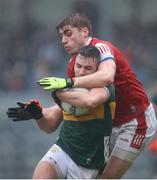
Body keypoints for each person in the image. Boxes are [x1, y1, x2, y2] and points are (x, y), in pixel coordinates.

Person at [37, 13, 157, 178]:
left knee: (107, 177)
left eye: (68, 33)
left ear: (84, 32)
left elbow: (107, 76)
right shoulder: (74, 65)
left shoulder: (101, 47)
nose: (63, 40)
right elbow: (65, 108)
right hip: (108, 125)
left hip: (136, 121)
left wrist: (68, 84)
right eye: (61, 36)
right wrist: (38, 113)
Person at [7, 45, 115, 179]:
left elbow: (89, 101)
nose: (81, 72)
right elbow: (49, 126)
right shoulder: (70, 88)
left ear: (97, 69)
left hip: (88, 162)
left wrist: (58, 93)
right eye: (79, 66)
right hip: (63, 149)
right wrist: (39, 116)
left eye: (88, 68)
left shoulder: (103, 87)